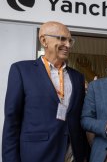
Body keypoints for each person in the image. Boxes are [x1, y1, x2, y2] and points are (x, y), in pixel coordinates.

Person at [2, 21, 89, 162]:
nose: (67, 45)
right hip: (37, 155)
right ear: (44, 40)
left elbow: (78, 118)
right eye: (62, 39)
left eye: (70, 40)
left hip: (72, 155)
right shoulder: (21, 70)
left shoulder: (77, 77)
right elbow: (12, 121)